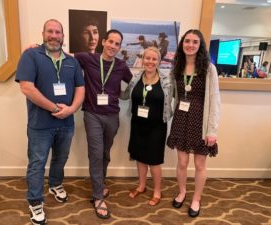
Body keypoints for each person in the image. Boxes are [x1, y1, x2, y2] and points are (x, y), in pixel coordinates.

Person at [15, 19, 85, 225]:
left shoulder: (72, 61)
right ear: (43, 33)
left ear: (63, 36)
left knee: (60, 159)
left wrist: (71, 110)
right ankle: (35, 202)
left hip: (66, 123)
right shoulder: (31, 55)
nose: (54, 36)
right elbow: (27, 87)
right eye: (50, 32)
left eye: (58, 32)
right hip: (40, 125)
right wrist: (54, 108)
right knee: (37, 164)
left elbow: (81, 89)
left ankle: (55, 184)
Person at [74, 29, 133, 219]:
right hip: (92, 114)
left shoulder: (122, 66)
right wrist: (37, 48)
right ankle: (98, 196)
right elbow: (63, 55)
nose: (113, 46)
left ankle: (100, 185)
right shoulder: (87, 59)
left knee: (105, 154)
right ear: (103, 42)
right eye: (111, 42)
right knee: (96, 153)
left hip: (112, 116)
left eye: (117, 44)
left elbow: (135, 82)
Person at [166, 29, 220, 218]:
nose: (190, 45)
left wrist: (212, 129)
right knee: (182, 162)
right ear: (182, 44)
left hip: (201, 122)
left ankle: (196, 198)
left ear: (200, 45)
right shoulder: (177, 67)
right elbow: (172, 94)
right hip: (181, 118)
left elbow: (215, 100)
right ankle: (182, 192)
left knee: (199, 164)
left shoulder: (209, 69)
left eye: (195, 42)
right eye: (187, 41)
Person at [120, 47, 174, 206]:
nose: (150, 62)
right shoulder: (135, 78)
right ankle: (142, 186)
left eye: (153, 59)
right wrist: (111, 85)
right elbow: (124, 96)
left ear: (158, 61)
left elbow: (174, 100)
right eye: (147, 58)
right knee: (140, 157)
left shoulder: (167, 80)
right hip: (137, 124)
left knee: (154, 161)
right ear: (143, 60)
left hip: (157, 126)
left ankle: (157, 191)